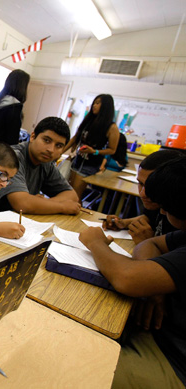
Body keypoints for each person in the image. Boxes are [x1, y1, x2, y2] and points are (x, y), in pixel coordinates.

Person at [79, 157, 186, 388]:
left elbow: (126, 278)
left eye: (166, 206)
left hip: (174, 362)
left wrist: (96, 243)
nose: (161, 209)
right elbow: (150, 245)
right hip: (159, 333)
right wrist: (154, 285)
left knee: (79, 369)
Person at [0, 117, 81, 215]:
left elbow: (72, 196)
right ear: (33, 136)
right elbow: (22, 204)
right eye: (46, 140)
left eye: (58, 146)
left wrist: (40, 203)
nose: (51, 149)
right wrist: (63, 207)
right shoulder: (12, 156)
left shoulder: (46, 162)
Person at [102, 149, 181, 244]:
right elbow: (149, 217)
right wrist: (123, 223)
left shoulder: (179, 219)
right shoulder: (157, 204)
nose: (142, 194)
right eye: (140, 183)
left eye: (151, 186)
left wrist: (148, 243)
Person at [64, 94, 120, 199]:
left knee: (75, 196)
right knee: (67, 192)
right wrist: (62, 151)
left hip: (90, 166)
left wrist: (95, 151)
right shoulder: (88, 120)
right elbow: (76, 137)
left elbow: (112, 150)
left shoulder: (112, 127)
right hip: (77, 161)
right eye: (94, 102)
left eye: (98, 103)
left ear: (105, 106)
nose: (94, 105)